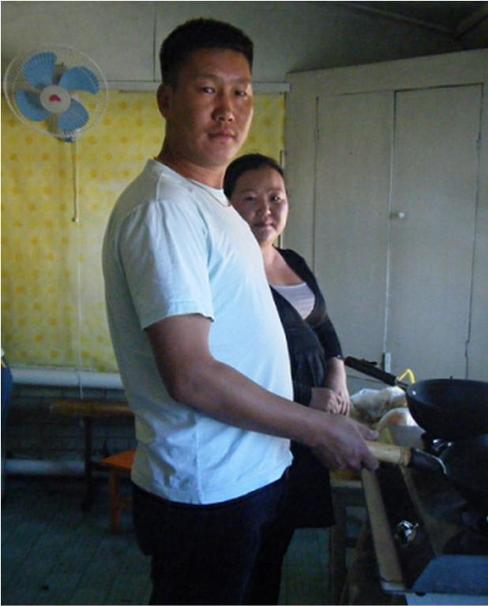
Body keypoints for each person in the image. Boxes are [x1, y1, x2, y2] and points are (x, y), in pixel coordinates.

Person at [101, 17, 378, 606]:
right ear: (166, 99)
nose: (228, 109)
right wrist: (318, 426)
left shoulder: (213, 205)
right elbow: (191, 375)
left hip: (252, 472)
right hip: (208, 488)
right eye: (208, 89)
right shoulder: (164, 211)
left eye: (242, 92)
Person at [225, 153, 351, 603]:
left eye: (275, 198)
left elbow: (323, 324)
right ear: (228, 206)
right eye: (250, 199)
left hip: (309, 420)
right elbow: (230, 362)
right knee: (251, 539)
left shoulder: (291, 259)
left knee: (279, 537)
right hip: (267, 419)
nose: (266, 210)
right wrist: (306, 397)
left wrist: (337, 374)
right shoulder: (229, 271)